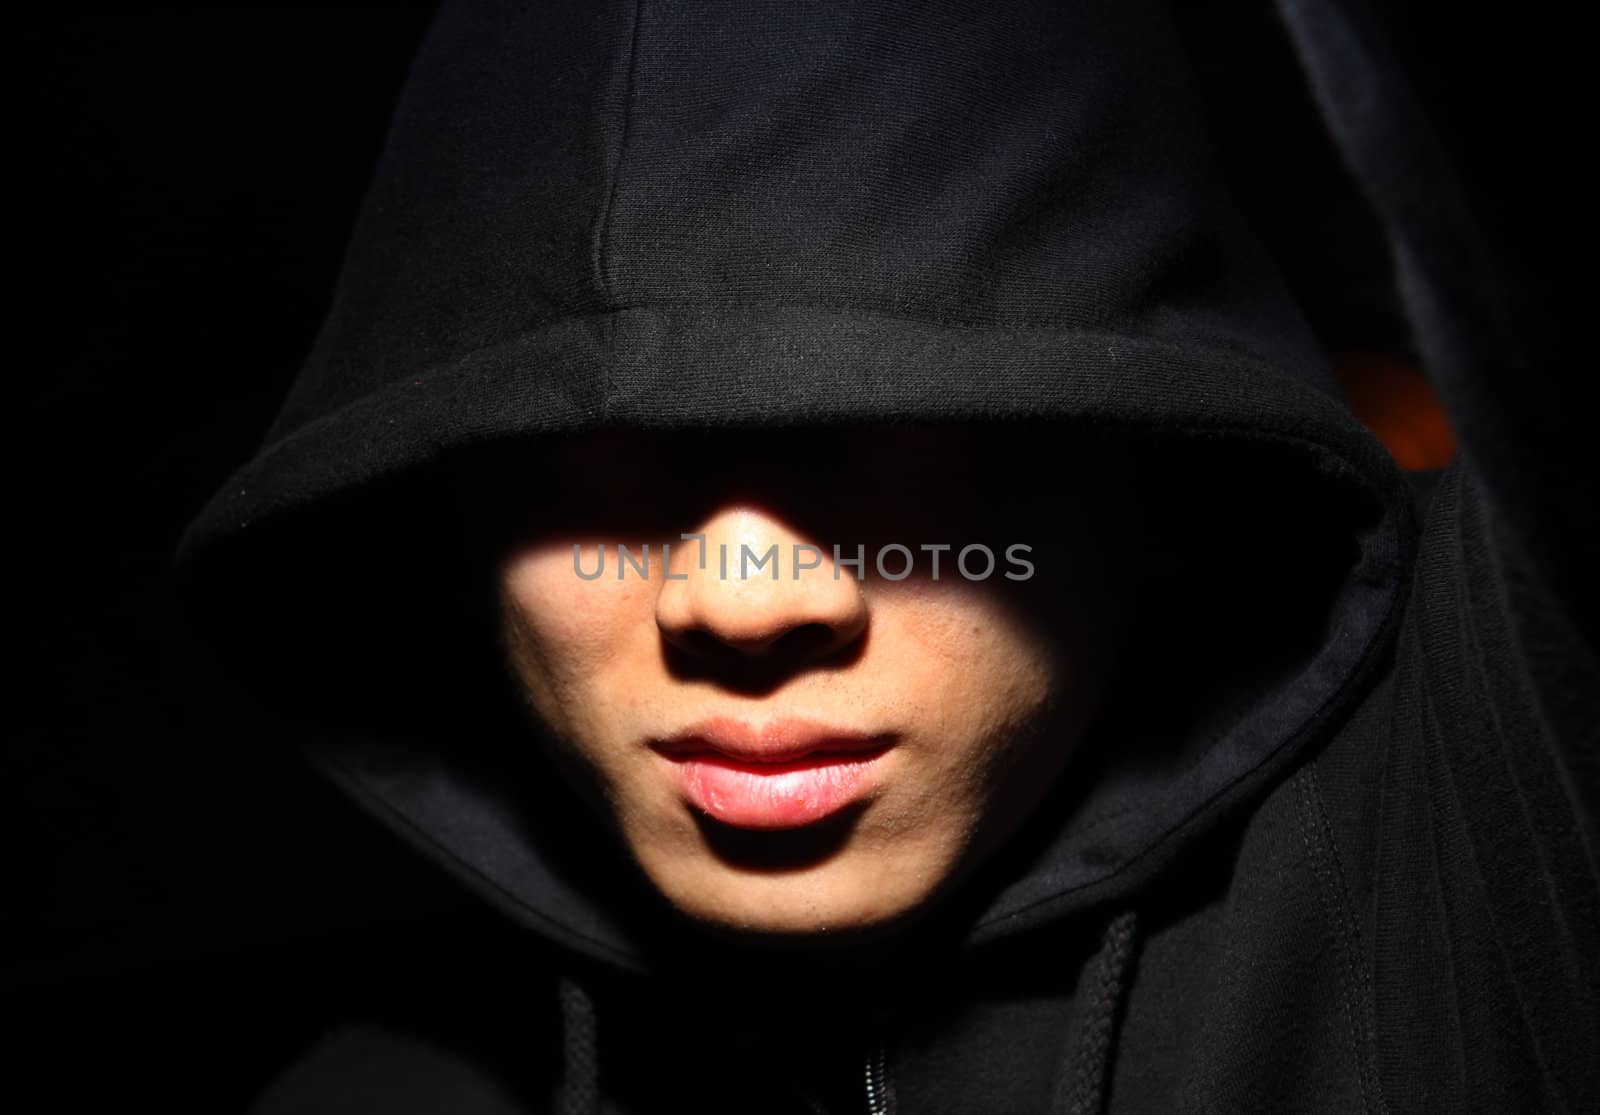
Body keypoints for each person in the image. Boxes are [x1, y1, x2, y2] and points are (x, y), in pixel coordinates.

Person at [172, 0, 1596, 1112]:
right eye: (583, 449)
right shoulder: (392, 1089)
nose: (744, 598)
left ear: (1148, 447)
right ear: (440, 501)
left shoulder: (1483, 791)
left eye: (913, 426)